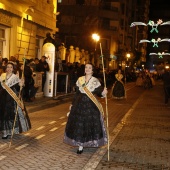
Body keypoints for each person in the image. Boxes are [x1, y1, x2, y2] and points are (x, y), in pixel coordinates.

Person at [63, 63, 108, 154]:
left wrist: (104, 92)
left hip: (90, 106)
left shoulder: (96, 81)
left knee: (88, 125)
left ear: (92, 70)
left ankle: (90, 142)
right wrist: (72, 104)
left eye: (89, 67)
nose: (87, 69)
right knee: (79, 125)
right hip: (79, 105)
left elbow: (99, 93)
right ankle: (80, 146)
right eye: (86, 67)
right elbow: (77, 94)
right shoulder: (80, 79)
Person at [0, 62, 31, 139]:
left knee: (9, 115)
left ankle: (8, 132)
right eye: (8, 67)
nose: (9, 69)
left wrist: (21, 84)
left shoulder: (15, 77)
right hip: (2, 98)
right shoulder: (2, 76)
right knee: (3, 115)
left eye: (11, 67)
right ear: (5, 68)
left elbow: (18, 89)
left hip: (11, 100)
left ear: (13, 69)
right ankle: (4, 131)